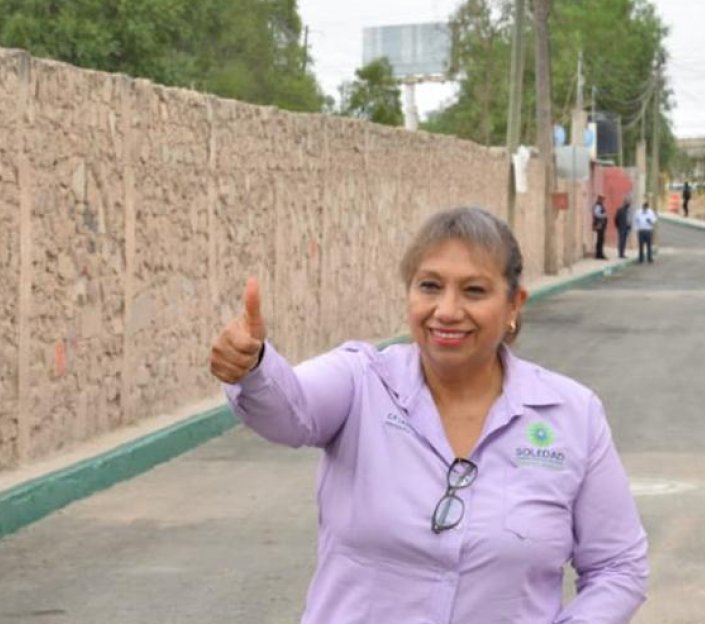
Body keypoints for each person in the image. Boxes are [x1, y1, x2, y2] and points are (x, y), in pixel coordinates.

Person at [208, 207, 649, 622]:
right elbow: (291, 408)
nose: (448, 311)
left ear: (514, 305)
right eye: (430, 286)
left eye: (474, 290)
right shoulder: (362, 381)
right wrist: (254, 366)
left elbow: (618, 566)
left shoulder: (571, 414)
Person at [592, 195, 608, 260]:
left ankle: (599, 254)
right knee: (600, 239)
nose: (603, 200)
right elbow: (596, 214)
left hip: (601, 224)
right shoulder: (598, 206)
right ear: (599, 199)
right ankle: (599, 254)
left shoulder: (599, 205)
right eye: (602, 199)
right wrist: (604, 215)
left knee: (601, 239)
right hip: (599, 224)